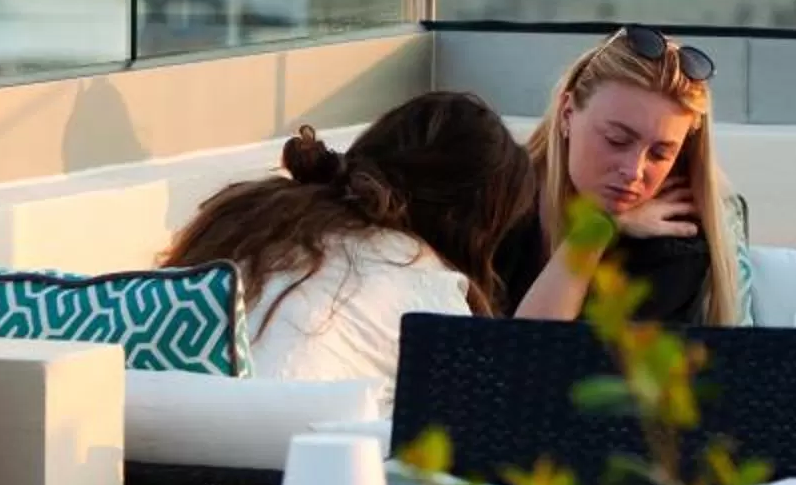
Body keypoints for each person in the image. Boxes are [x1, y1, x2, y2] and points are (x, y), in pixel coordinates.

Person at [164, 91, 535, 407]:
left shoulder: (257, 214)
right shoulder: (428, 286)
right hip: (286, 474)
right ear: (472, 222)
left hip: (144, 453)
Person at [496, 24, 745, 327]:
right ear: (567, 114)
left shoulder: (678, 241)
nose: (634, 171)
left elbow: (538, 353)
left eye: (660, 154)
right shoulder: (496, 200)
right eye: (616, 140)